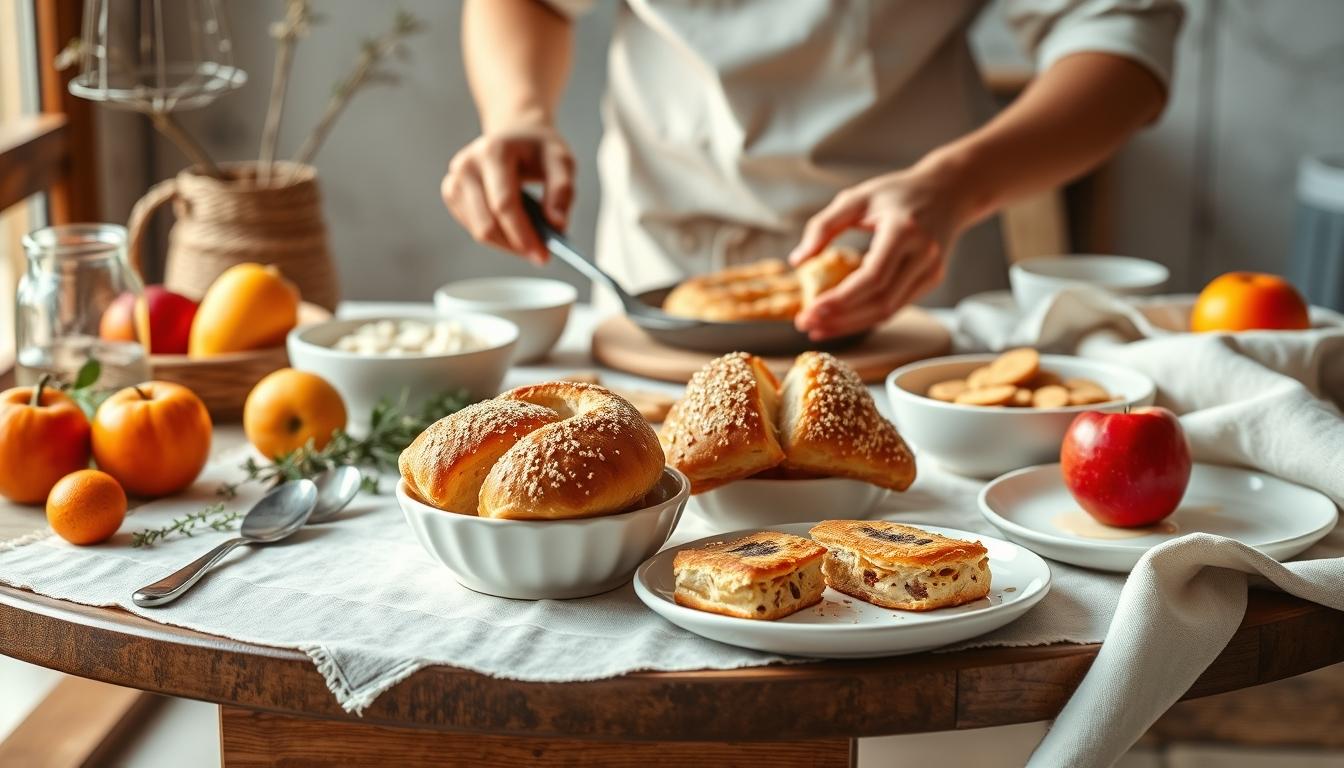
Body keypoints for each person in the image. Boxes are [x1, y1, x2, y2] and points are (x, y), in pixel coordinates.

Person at [442, 0, 1182, 340]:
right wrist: (518, 114)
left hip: (911, 282)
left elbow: (1120, 40)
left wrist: (957, 185)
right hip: (655, 274)